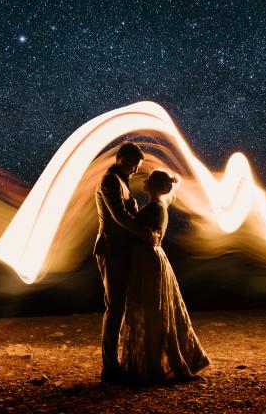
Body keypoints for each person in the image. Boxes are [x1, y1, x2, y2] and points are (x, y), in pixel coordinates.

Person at [119, 169, 210, 383]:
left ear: (156, 186)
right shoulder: (158, 206)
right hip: (149, 257)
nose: (145, 181)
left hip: (147, 259)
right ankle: (152, 362)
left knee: (152, 309)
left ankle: (152, 366)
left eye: (149, 179)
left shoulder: (155, 207)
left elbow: (133, 228)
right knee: (154, 308)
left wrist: (129, 211)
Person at [93, 142, 159, 384]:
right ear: (120, 158)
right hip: (111, 250)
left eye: (137, 166)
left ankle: (116, 364)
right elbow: (119, 216)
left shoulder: (120, 181)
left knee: (119, 306)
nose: (134, 169)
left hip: (121, 250)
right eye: (132, 164)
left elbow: (127, 217)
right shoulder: (109, 181)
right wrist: (145, 235)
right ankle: (109, 368)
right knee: (115, 307)